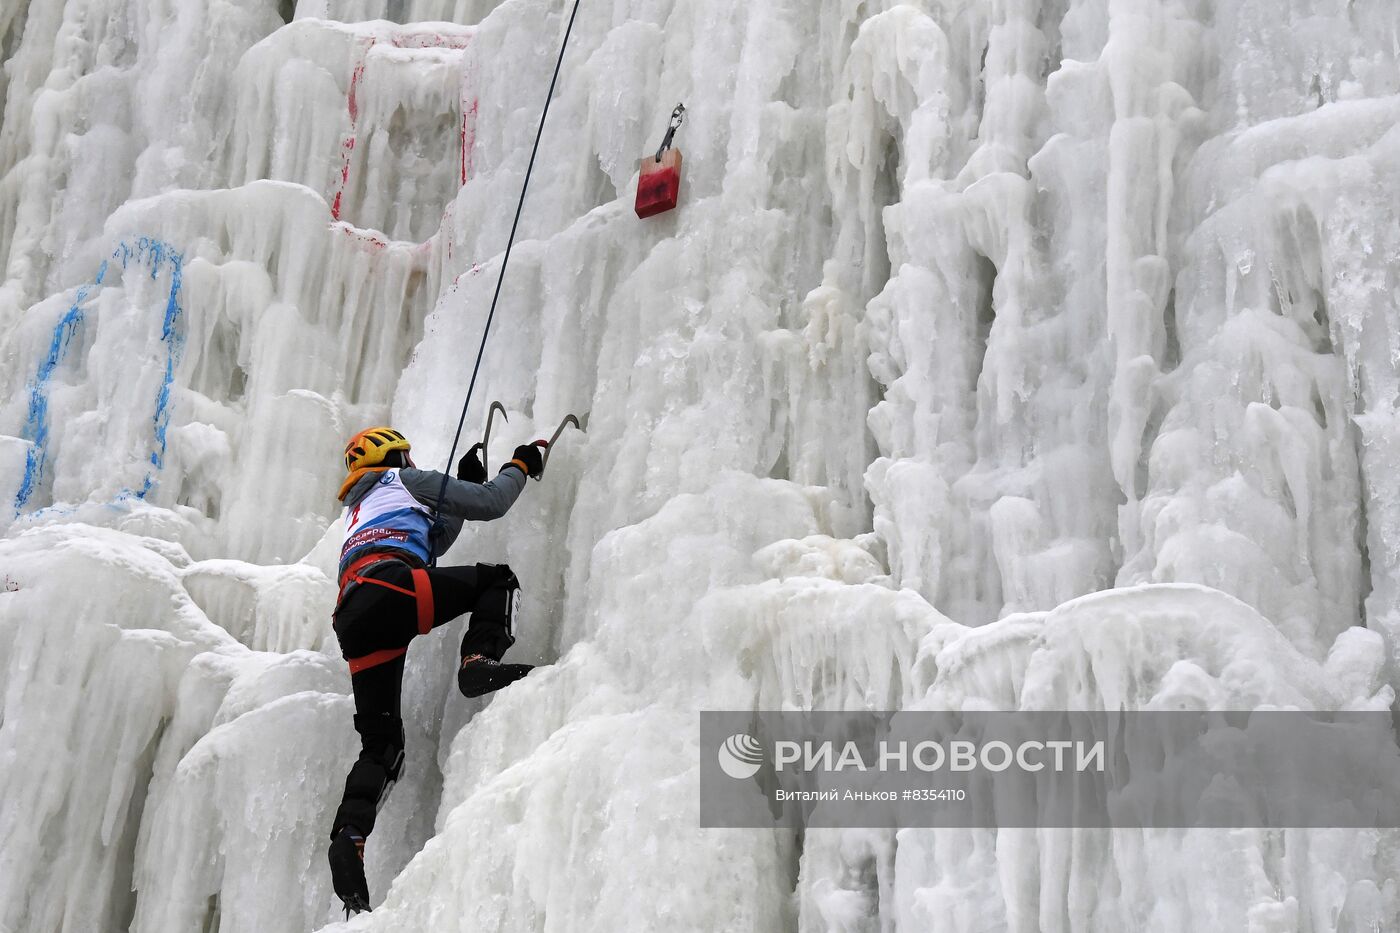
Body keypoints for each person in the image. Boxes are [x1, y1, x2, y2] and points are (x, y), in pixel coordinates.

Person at [326, 425, 545, 914]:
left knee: (382, 746)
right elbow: (491, 502)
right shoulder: (406, 479)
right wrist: (521, 465)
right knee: (496, 581)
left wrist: (458, 485)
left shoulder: (358, 509)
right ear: (398, 455)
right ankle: (478, 660)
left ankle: (349, 836)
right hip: (393, 590)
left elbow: (433, 540)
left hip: (356, 617)